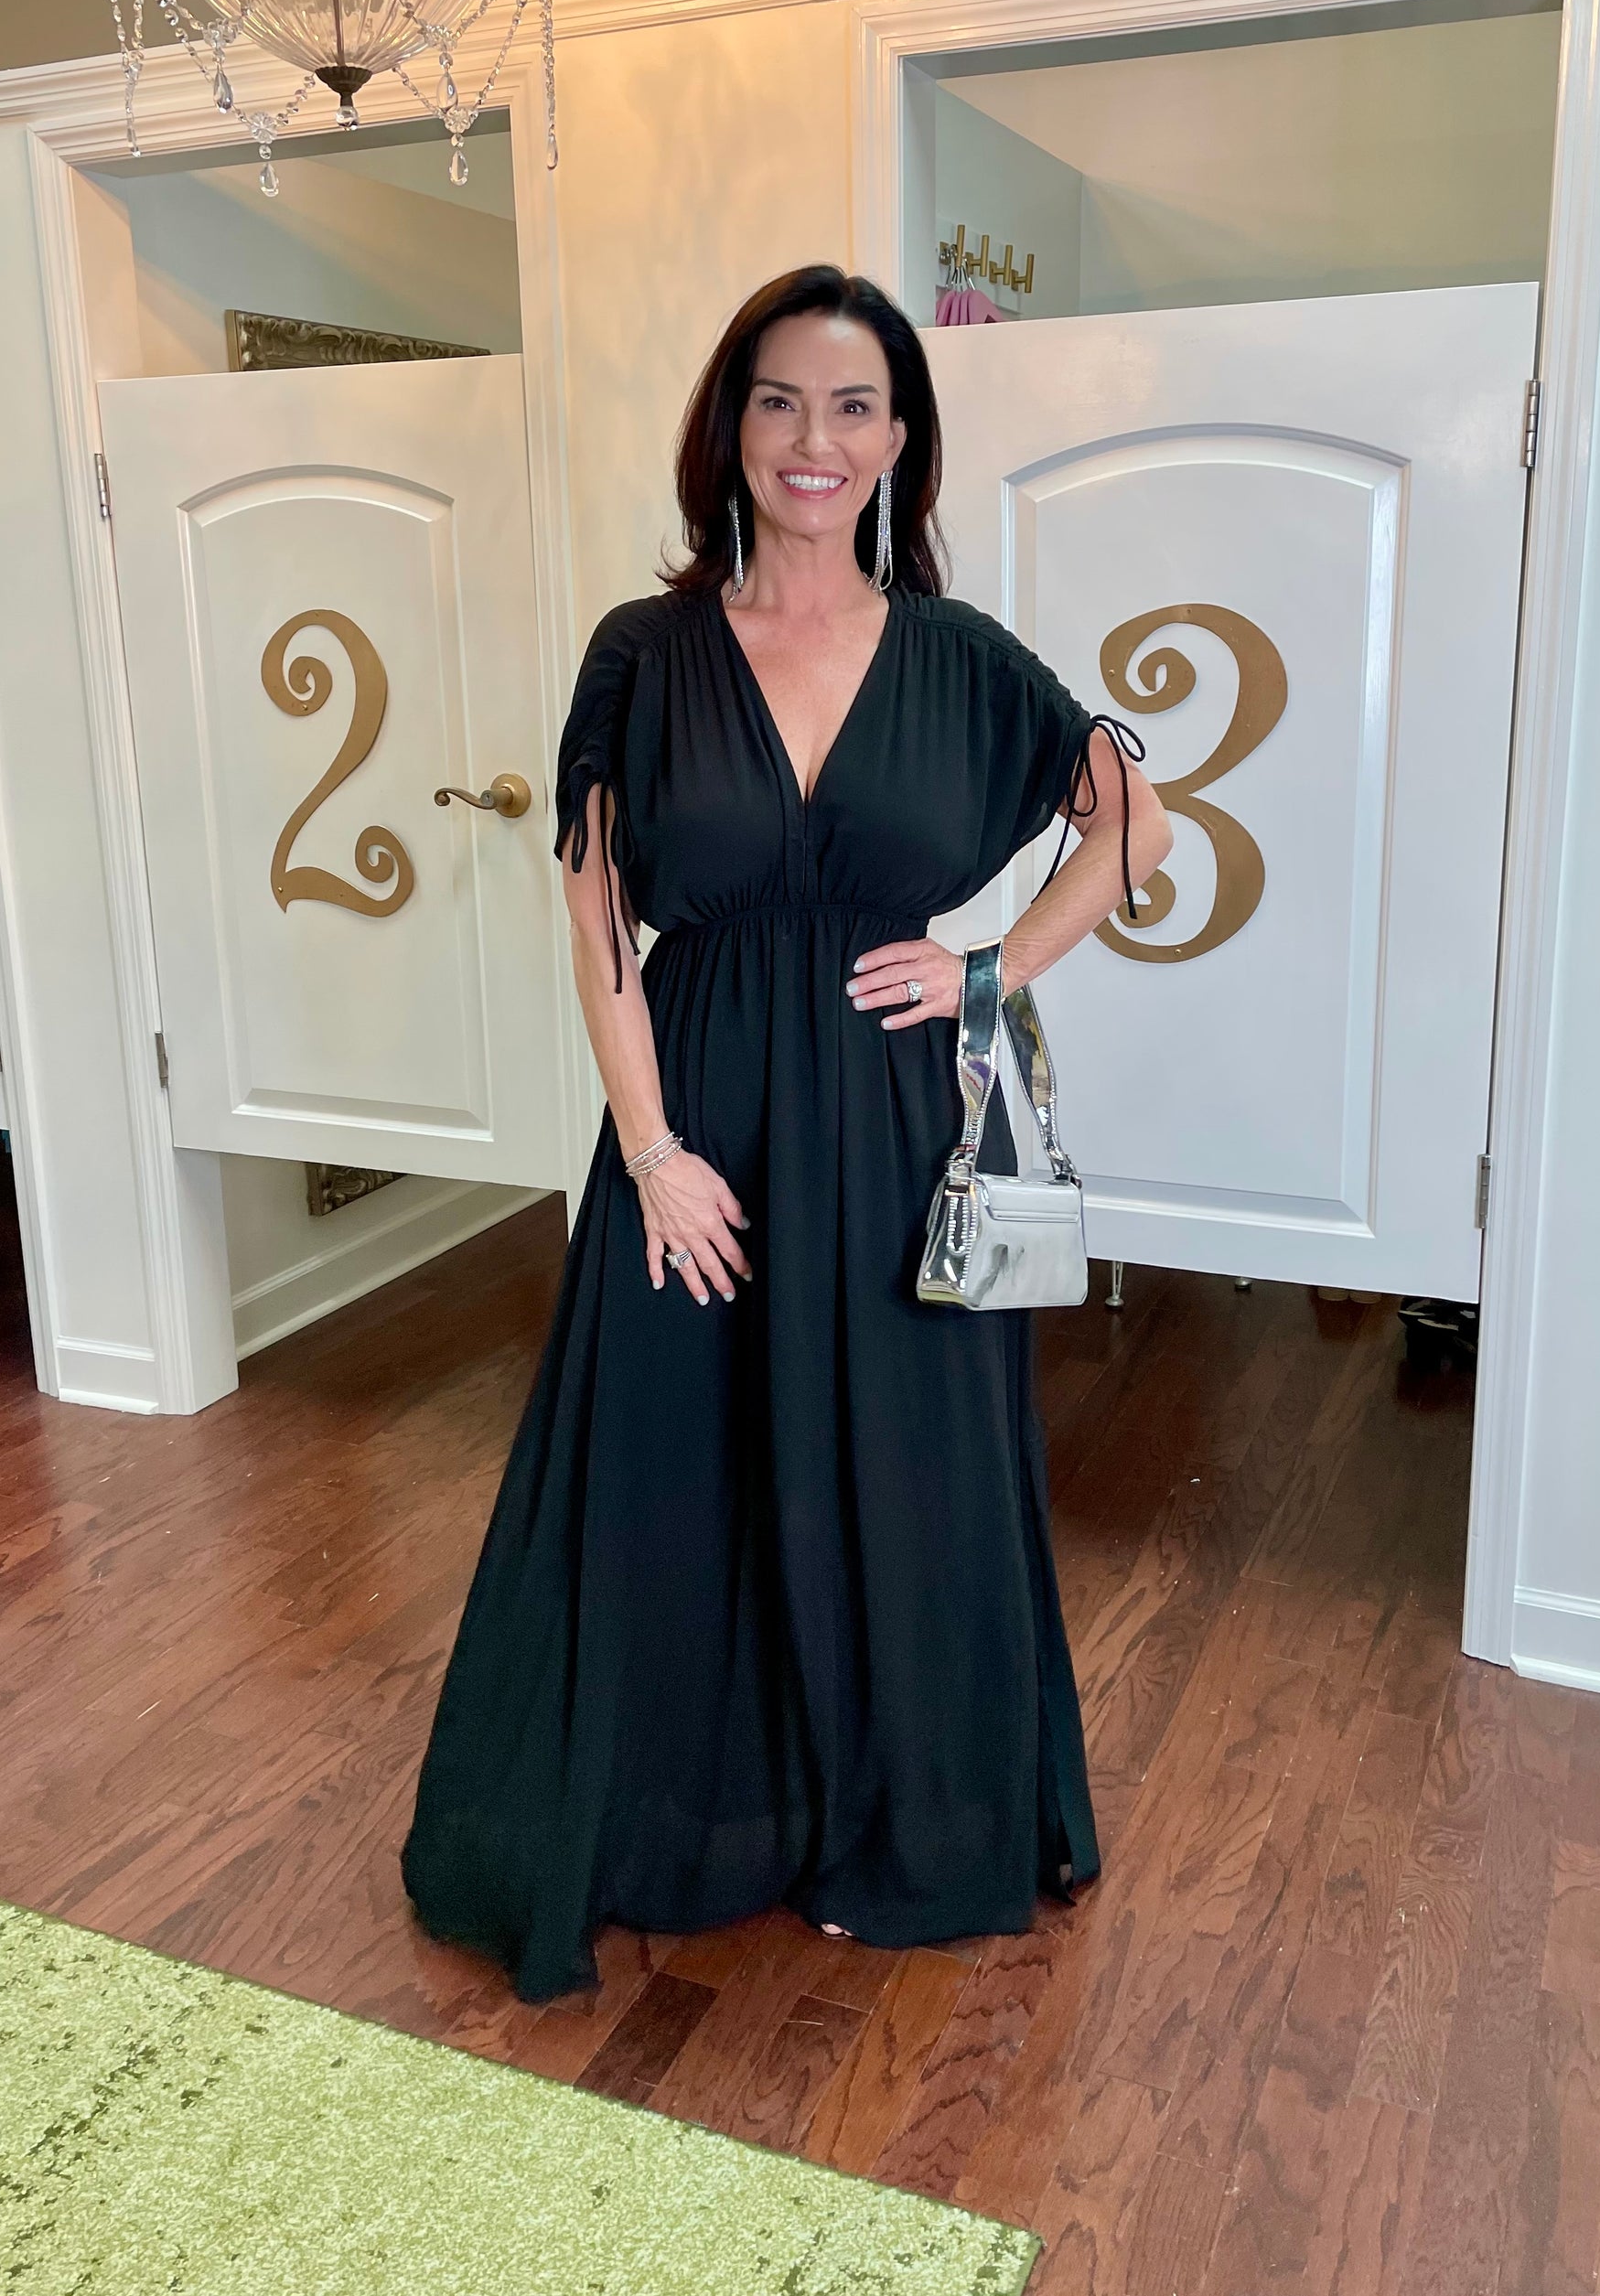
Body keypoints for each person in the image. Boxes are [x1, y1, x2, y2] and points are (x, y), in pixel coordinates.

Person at [400, 264, 1175, 2002]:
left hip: (893, 1126)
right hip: (697, 1124)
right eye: (777, 400)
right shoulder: (645, 650)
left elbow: (1132, 824)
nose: (811, 438)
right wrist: (649, 1151)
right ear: (730, 427)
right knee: (675, 1462)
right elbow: (596, 917)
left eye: (851, 405)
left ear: (897, 439)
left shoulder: (960, 658)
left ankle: (899, 1824)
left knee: (905, 1470)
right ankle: (689, 1818)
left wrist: (989, 962)